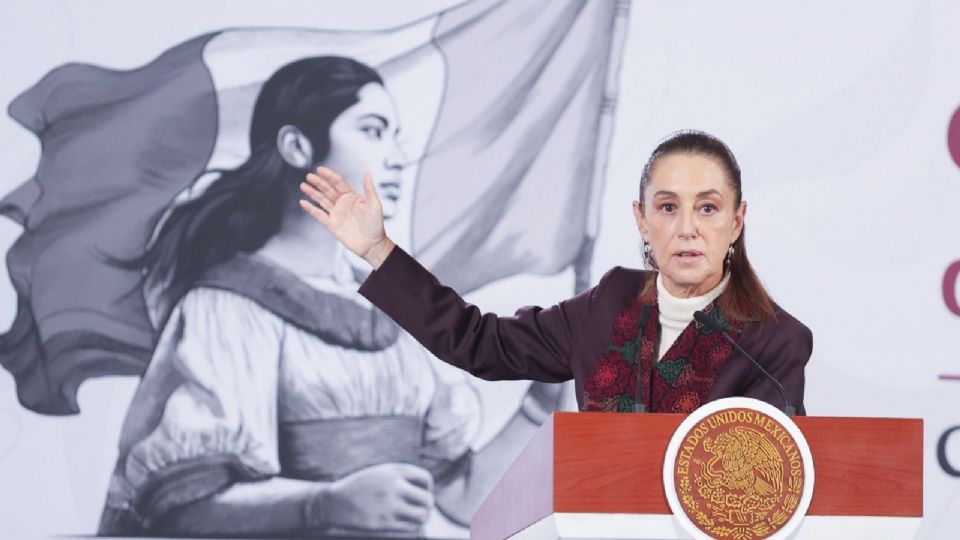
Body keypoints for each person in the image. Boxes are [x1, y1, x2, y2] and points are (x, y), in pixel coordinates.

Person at [98, 56, 560, 538]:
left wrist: (544, 401)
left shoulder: (392, 309)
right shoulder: (226, 308)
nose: (398, 156)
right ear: (297, 146)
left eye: (394, 134)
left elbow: (462, 496)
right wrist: (324, 505)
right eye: (374, 131)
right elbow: (181, 509)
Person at [300, 130, 812, 417]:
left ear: (736, 221)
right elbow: (478, 343)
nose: (686, 229)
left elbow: (769, 490)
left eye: (707, 208)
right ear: (641, 219)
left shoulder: (775, 341)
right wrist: (377, 249)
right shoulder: (609, 303)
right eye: (667, 207)